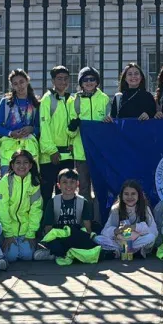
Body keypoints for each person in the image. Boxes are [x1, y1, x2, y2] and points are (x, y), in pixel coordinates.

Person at [69, 67, 111, 225]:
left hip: (100, 152)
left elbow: (111, 124)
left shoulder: (105, 98)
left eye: (92, 79)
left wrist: (108, 121)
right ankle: (85, 223)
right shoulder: (74, 100)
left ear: (97, 82)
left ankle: (100, 221)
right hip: (82, 153)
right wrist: (72, 127)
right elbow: (70, 133)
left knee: (100, 187)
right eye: (85, 80)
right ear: (81, 83)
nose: (89, 82)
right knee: (84, 189)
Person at [37, 168, 101, 264]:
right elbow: (48, 228)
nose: (68, 185)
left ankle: (59, 254)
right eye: (64, 182)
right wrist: (49, 242)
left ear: (77, 184)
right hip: (59, 235)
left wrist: (87, 240)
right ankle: (58, 252)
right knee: (56, 246)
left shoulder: (83, 202)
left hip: (75, 234)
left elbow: (87, 227)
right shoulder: (53, 202)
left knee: (88, 243)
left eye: (72, 182)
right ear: (59, 185)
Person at [0, 149, 44, 263]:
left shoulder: (34, 182)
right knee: (11, 257)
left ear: (30, 165)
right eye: (18, 162)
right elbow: (2, 209)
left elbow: (36, 209)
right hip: (7, 229)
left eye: (25, 162)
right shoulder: (5, 181)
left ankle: (38, 248)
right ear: (12, 165)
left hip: (25, 230)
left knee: (27, 256)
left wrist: (31, 233)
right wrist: (8, 234)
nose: (22, 166)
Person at [38, 66, 75, 201]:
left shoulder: (71, 100)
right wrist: (51, 150)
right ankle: (47, 216)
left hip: (67, 155)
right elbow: (44, 126)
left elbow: (72, 125)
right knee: (47, 193)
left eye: (66, 79)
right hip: (50, 156)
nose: (63, 82)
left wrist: (72, 143)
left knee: (65, 193)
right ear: (53, 80)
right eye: (59, 78)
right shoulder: (47, 99)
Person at [0, 70, 40, 175]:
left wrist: (31, 129)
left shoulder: (35, 103)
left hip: (29, 149)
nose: (19, 86)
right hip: (9, 148)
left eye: (21, 82)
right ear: (12, 86)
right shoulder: (6, 102)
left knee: (30, 181)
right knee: (8, 181)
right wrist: (11, 133)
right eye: (15, 84)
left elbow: (40, 127)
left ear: (27, 81)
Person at [97, 179, 159, 258]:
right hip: (120, 241)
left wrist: (135, 227)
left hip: (137, 240)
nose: (130, 197)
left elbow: (154, 231)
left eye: (133, 194)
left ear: (138, 195)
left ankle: (127, 251)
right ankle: (129, 251)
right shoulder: (116, 209)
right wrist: (116, 231)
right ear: (121, 196)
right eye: (126, 194)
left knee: (151, 237)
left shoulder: (145, 208)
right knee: (98, 238)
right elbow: (104, 231)